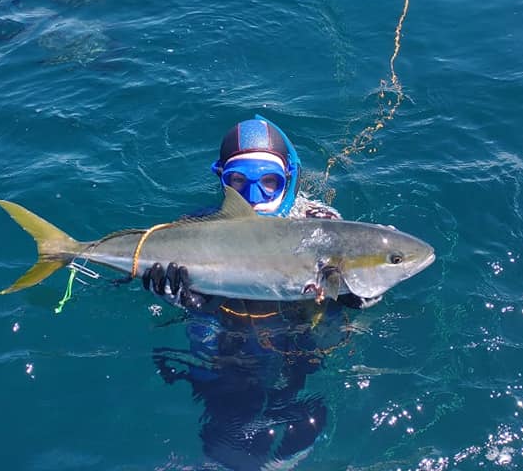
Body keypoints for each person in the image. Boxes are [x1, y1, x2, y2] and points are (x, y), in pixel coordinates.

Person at [142, 116, 377, 471]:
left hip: (297, 335)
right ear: (221, 179)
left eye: (269, 182)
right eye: (238, 181)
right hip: (232, 339)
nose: (253, 198)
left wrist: (358, 293)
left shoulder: (322, 221)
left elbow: (360, 272)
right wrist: (191, 304)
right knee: (229, 413)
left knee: (303, 409)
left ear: (290, 178)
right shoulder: (195, 228)